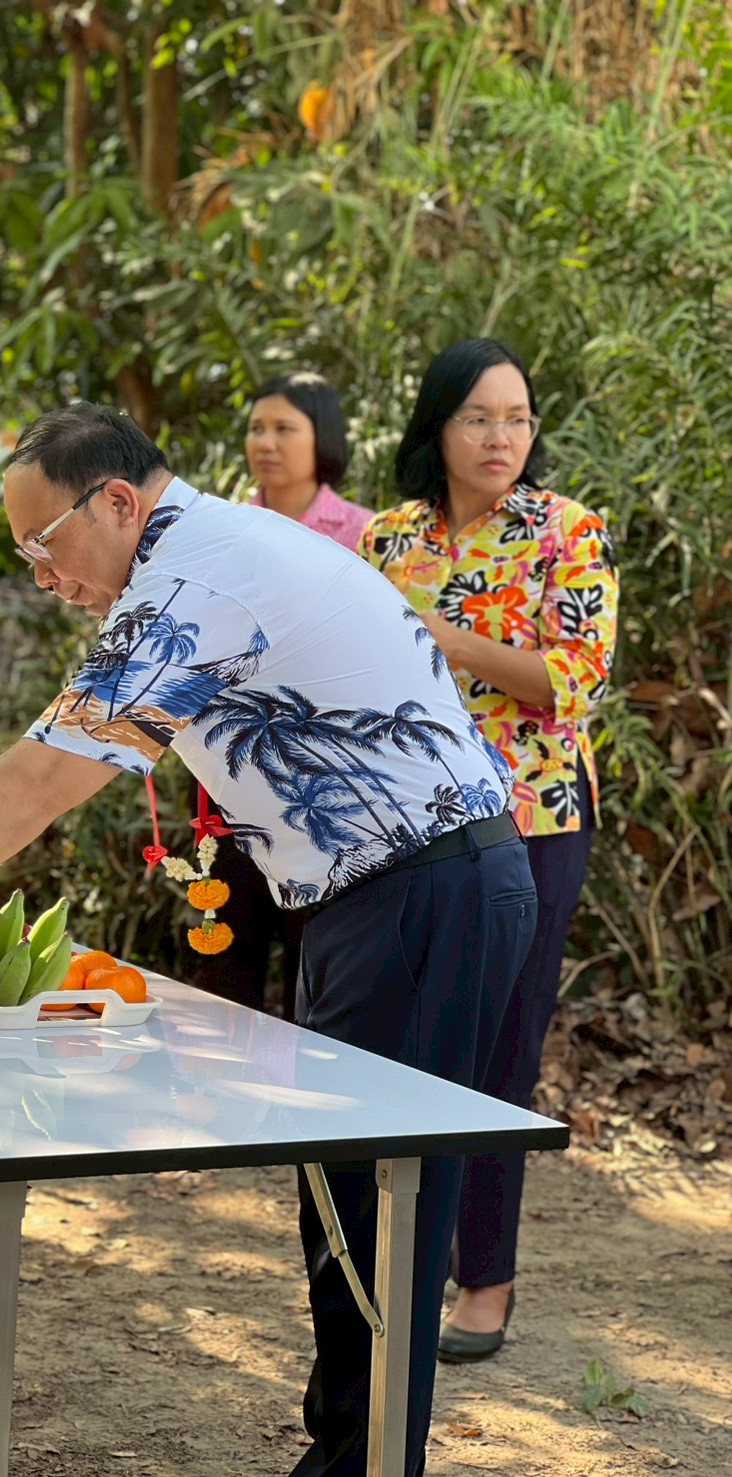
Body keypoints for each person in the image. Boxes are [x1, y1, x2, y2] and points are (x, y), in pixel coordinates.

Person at [0, 401, 537, 1477]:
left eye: (43, 544)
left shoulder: (198, 580)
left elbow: (37, 782)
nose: (41, 574)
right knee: (349, 1202)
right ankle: (348, 1451)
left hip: (425, 889)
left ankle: (361, 1461)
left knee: (377, 1208)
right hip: (387, 892)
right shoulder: (205, 555)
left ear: (116, 501)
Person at [360, 338, 618, 1363]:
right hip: (402, 825)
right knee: (398, 1045)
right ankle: (397, 1269)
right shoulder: (384, 541)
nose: (501, 436)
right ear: (437, 426)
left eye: (517, 416)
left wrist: (441, 638)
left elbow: (570, 681)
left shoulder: (567, 532)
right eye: (478, 417)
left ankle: (486, 1281)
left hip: (532, 820)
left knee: (497, 1052)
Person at [187, 370, 375, 1019]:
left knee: (315, 952)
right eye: (256, 427)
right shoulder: (218, 528)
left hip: (323, 774)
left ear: (321, 437)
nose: (265, 442)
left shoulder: (364, 534)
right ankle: (214, 1097)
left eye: (284, 428)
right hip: (227, 763)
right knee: (225, 943)